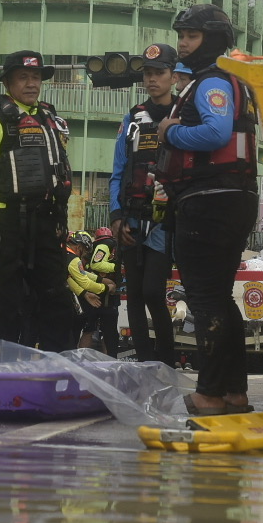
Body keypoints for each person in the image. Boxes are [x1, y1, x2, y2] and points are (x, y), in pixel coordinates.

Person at [159, 5, 259, 415]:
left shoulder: (211, 83)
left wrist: (171, 132)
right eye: (181, 35)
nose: (183, 43)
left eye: (192, 35)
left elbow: (216, 132)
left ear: (213, 39)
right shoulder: (232, 82)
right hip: (233, 198)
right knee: (220, 298)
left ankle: (210, 394)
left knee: (204, 300)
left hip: (209, 201)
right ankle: (234, 392)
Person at [0, 50, 77, 350]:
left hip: (46, 220)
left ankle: (57, 362)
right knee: (10, 299)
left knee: (56, 296)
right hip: (7, 222)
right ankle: (4, 364)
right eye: (23, 77)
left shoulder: (48, 118)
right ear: (8, 82)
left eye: (36, 77)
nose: (31, 83)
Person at [109, 45, 180, 365]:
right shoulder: (132, 118)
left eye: (159, 73)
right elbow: (118, 171)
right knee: (134, 296)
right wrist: (116, 215)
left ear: (173, 77)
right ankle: (144, 362)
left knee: (153, 291)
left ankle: (166, 361)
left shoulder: (184, 115)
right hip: (132, 218)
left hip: (165, 221)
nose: (152, 79)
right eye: (148, 74)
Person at [82, 226, 121, 355]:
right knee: (108, 331)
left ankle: (81, 360)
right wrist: (117, 267)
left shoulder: (93, 248)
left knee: (90, 330)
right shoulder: (106, 244)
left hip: (94, 295)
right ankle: (110, 361)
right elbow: (97, 263)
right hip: (105, 295)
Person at [66, 232, 109, 343]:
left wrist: (99, 280)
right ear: (79, 247)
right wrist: (106, 288)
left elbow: (68, 278)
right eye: (85, 251)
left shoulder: (61, 251)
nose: (84, 255)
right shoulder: (73, 259)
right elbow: (86, 283)